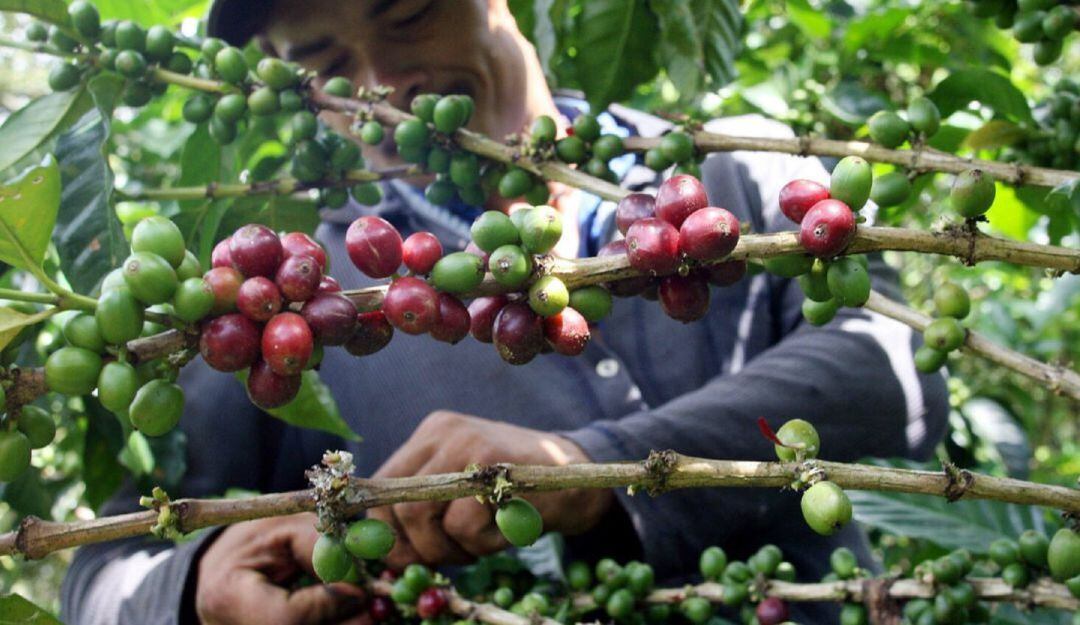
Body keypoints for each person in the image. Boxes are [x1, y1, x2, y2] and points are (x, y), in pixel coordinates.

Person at [61, 1, 950, 624]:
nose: (379, 83)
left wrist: (593, 468)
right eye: (325, 67)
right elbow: (101, 575)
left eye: (408, 14)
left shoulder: (730, 179)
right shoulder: (309, 304)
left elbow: (895, 371)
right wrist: (193, 586)